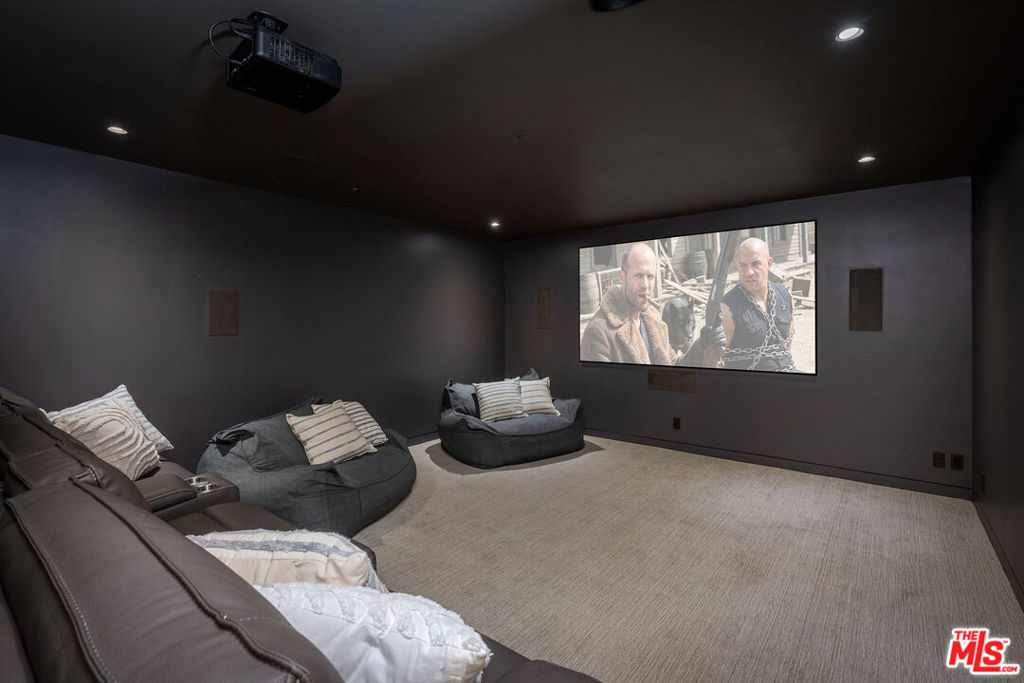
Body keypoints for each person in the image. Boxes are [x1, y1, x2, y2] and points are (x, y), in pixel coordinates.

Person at [698, 237, 796, 371]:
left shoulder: (786, 297)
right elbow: (712, 364)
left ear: (769, 263)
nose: (748, 273)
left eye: (755, 264)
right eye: (742, 265)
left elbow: (787, 346)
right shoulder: (726, 310)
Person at [580, 243, 680, 364]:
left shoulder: (654, 321)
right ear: (622, 277)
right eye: (638, 275)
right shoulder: (599, 332)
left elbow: (674, 364)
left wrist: (699, 347)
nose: (645, 285)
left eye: (650, 276)